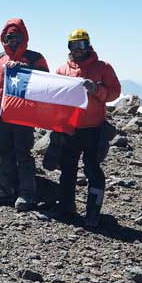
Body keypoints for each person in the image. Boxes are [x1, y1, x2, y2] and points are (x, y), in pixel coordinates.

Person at [0, 18, 49, 211]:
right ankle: (6, 190)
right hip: (2, 116)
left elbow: (47, 83)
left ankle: (27, 194)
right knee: (5, 152)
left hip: (25, 117)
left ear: (24, 37)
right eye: (9, 37)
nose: (13, 41)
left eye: (17, 37)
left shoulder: (35, 58)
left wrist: (25, 70)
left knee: (23, 154)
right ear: (4, 38)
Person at [54, 29, 121, 227]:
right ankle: (66, 208)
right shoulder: (61, 70)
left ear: (88, 45)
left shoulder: (103, 68)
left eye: (81, 44)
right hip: (70, 129)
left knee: (92, 169)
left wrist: (97, 90)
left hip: (94, 128)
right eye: (73, 45)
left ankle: (93, 211)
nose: (77, 50)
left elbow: (115, 92)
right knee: (67, 169)